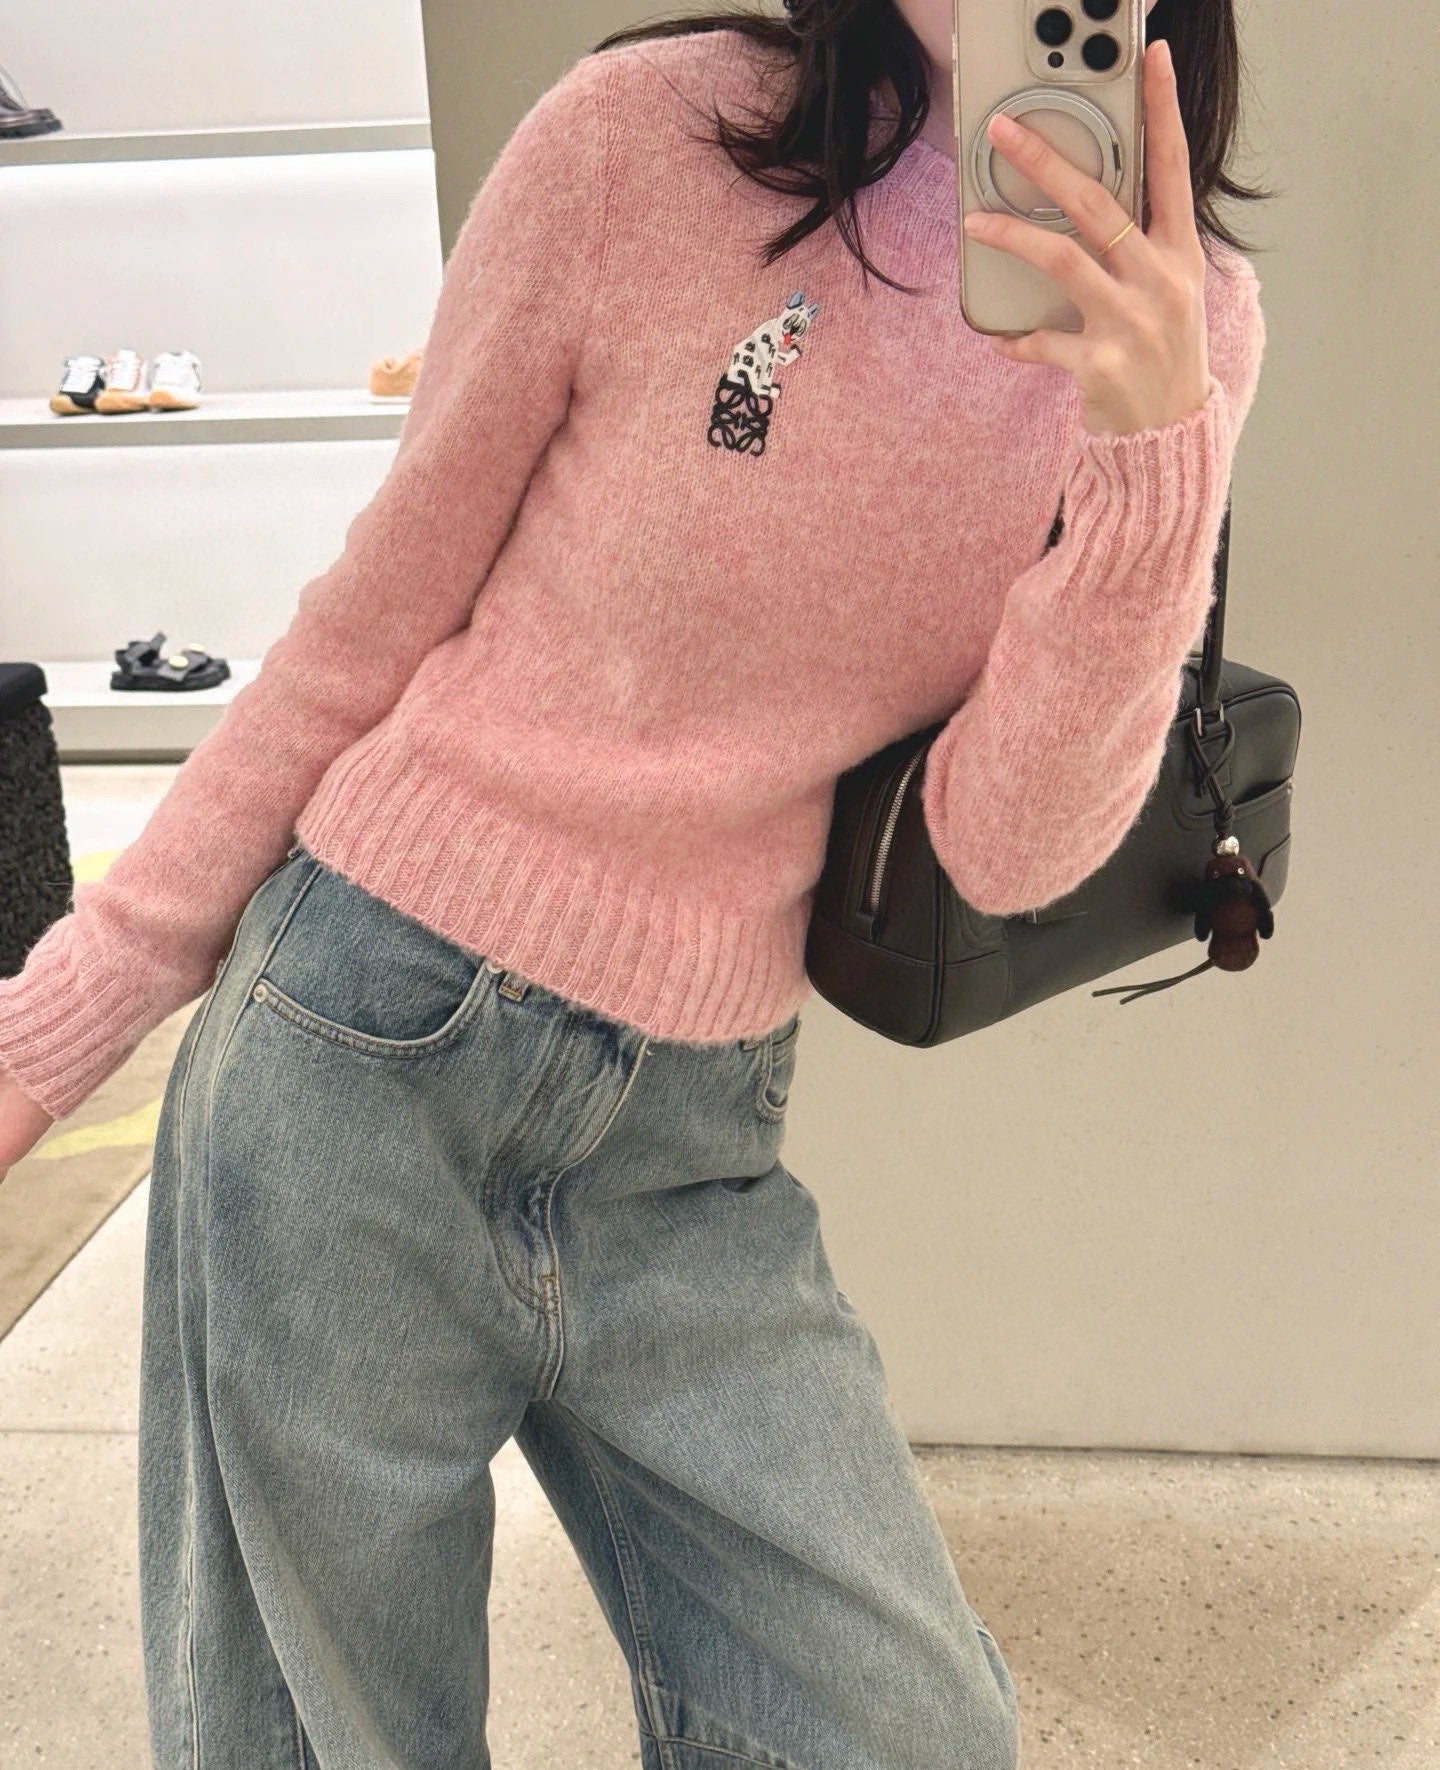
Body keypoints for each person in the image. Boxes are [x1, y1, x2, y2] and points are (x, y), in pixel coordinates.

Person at [0, 1, 1268, 1763]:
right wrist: (50, 1031)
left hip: (688, 1134)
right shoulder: (644, 138)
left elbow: (1003, 848)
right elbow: (369, 622)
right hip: (359, 1052)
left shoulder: (1186, 320)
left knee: (903, 1732)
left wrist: (1146, 458)